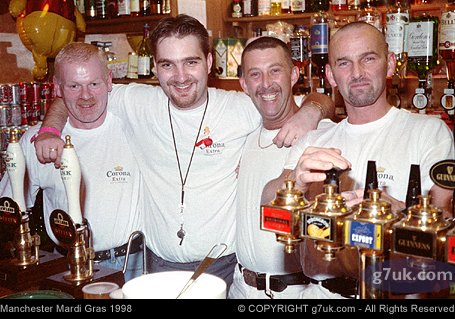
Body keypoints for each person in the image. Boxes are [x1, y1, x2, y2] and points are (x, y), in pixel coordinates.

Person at [32, 14, 334, 288]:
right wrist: (49, 130)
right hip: (155, 266)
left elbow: (310, 100)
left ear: (208, 61)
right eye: (167, 64)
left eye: (190, 62)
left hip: (223, 266)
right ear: (154, 67)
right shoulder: (137, 102)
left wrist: (311, 112)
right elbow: (75, 92)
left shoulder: (241, 107)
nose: (180, 76)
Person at [263, 22, 455, 298]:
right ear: (330, 75)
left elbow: (444, 223)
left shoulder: (428, 132)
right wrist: (295, 182)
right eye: (344, 63)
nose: (357, 73)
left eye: (368, 59)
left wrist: (397, 212)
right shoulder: (315, 139)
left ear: (389, 64)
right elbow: (267, 202)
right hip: (320, 294)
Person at [0, 42, 145, 281]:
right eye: (74, 85)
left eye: (94, 84)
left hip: (132, 264)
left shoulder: (135, 126)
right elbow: (10, 211)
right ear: (57, 87)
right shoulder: (35, 141)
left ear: (109, 81)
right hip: (64, 266)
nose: (85, 96)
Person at [228, 36, 334, 299]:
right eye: (255, 74)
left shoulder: (321, 136)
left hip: (296, 291)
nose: (266, 84)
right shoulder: (243, 136)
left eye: (275, 70)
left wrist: (314, 109)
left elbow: (324, 102)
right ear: (243, 84)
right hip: (240, 286)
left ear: (294, 74)